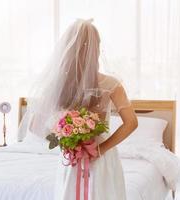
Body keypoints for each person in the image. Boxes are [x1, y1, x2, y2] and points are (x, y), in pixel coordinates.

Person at [19, 19, 138, 200]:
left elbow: (36, 126)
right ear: (96, 49)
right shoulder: (111, 84)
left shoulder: (58, 85)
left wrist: (65, 138)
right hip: (99, 156)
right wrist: (99, 149)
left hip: (72, 157)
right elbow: (131, 123)